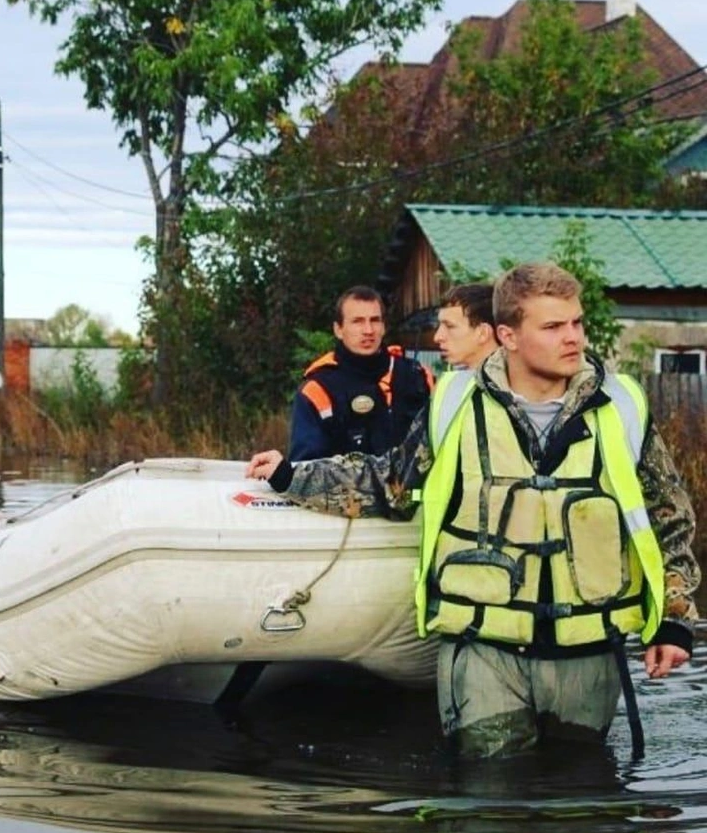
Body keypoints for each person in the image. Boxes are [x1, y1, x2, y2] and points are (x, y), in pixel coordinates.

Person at [248, 262, 700, 760]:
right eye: (552, 327)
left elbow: (668, 517)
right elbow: (389, 483)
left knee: (582, 788)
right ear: (507, 334)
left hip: (588, 652)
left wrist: (675, 620)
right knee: (486, 798)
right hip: (484, 648)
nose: (573, 338)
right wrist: (292, 475)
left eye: (577, 322)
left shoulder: (624, 405)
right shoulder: (453, 404)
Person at [289, 286, 433, 461]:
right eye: (357, 321)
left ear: (383, 327)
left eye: (375, 320)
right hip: (345, 488)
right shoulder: (318, 389)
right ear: (338, 329)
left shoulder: (417, 377)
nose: (368, 330)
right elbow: (305, 470)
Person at [432, 282, 499, 369]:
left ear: (483, 333)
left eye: (450, 326)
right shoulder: (455, 378)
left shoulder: (514, 380)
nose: (437, 337)